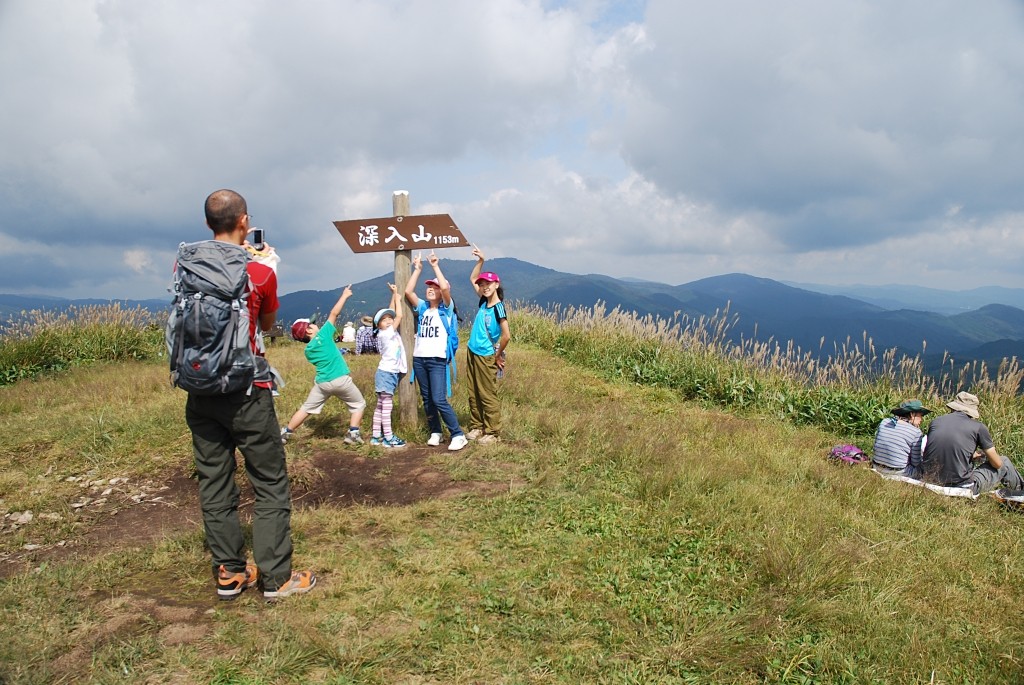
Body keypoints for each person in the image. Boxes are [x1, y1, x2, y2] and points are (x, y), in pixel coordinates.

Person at [184, 189, 315, 601]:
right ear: (245, 222)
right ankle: (276, 578)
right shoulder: (260, 273)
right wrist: (267, 265)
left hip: (200, 388)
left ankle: (229, 572)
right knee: (269, 481)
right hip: (247, 389)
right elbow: (269, 323)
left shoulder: (185, 265)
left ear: (207, 225)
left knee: (214, 479)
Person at [281, 285, 367, 445]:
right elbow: (334, 313)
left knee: (306, 408)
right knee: (358, 404)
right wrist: (345, 295)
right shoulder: (324, 334)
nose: (315, 324)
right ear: (308, 331)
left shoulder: (308, 351)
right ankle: (353, 434)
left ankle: (286, 433)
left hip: (322, 383)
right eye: (312, 324)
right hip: (341, 379)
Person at [404, 251, 467, 451]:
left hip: (437, 359)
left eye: (434, 287)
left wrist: (434, 266)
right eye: (429, 287)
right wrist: (417, 270)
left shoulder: (446, 309)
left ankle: (457, 434)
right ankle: (436, 431)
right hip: (420, 359)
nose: (431, 289)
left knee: (439, 398)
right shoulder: (423, 308)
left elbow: (446, 288)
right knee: (427, 398)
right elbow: (408, 292)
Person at [921, 391, 1024, 495]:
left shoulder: (936, 422)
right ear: (971, 412)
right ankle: (1020, 494)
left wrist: (970, 455)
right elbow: (997, 464)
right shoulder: (978, 427)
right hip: (961, 487)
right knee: (1004, 462)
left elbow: (942, 449)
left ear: (953, 407)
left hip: (930, 481)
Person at [465, 246, 511, 444]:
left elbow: (506, 335)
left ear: (496, 284)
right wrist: (480, 261)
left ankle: (492, 432)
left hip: (485, 354)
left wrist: (498, 354)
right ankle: (477, 426)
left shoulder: (498, 307)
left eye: (488, 284)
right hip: (472, 350)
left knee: (487, 392)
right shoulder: (483, 302)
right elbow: (471, 279)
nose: (485, 287)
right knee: (473, 391)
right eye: (483, 284)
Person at [370, 283, 409, 448]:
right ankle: (388, 437)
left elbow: (391, 312)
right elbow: (398, 316)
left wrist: (394, 295)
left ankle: (375, 436)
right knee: (387, 407)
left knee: (380, 406)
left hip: (385, 373)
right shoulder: (386, 333)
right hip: (387, 373)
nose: (388, 321)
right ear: (378, 325)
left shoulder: (383, 332)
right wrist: (398, 299)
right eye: (383, 320)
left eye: (389, 319)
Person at [872, 399, 929, 478]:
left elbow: (875, 446)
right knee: (922, 469)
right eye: (920, 416)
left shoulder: (884, 422)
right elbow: (915, 462)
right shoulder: (916, 432)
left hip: (876, 466)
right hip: (897, 472)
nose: (921, 419)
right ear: (912, 414)